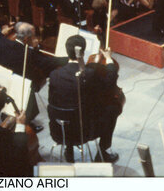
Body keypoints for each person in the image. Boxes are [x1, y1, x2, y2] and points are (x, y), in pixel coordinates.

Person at [47, 34, 121, 163]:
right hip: (85, 132)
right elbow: (110, 82)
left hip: (59, 132)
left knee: (67, 108)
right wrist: (109, 59)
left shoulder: (54, 74)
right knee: (114, 108)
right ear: (84, 51)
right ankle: (103, 153)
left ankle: (68, 150)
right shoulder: (89, 75)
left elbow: (53, 101)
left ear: (66, 51)